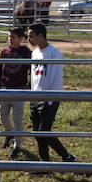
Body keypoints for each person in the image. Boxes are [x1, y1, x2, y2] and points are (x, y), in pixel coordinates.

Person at [28, 23, 77, 166]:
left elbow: (56, 78)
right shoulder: (34, 53)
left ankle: (65, 156)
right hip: (35, 97)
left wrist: (52, 98)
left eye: (31, 36)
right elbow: (34, 77)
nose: (29, 39)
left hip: (49, 98)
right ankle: (46, 162)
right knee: (38, 133)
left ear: (40, 35)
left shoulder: (54, 53)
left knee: (44, 131)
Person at [0, 27, 31, 159]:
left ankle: (17, 145)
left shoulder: (25, 52)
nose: (10, 39)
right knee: (2, 116)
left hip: (19, 89)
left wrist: (29, 85)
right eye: (9, 36)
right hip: (4, 88)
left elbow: (32, 68)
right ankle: (9, 133)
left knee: (17, 118)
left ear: (20, 38)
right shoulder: (4, 51)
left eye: (13, 37)